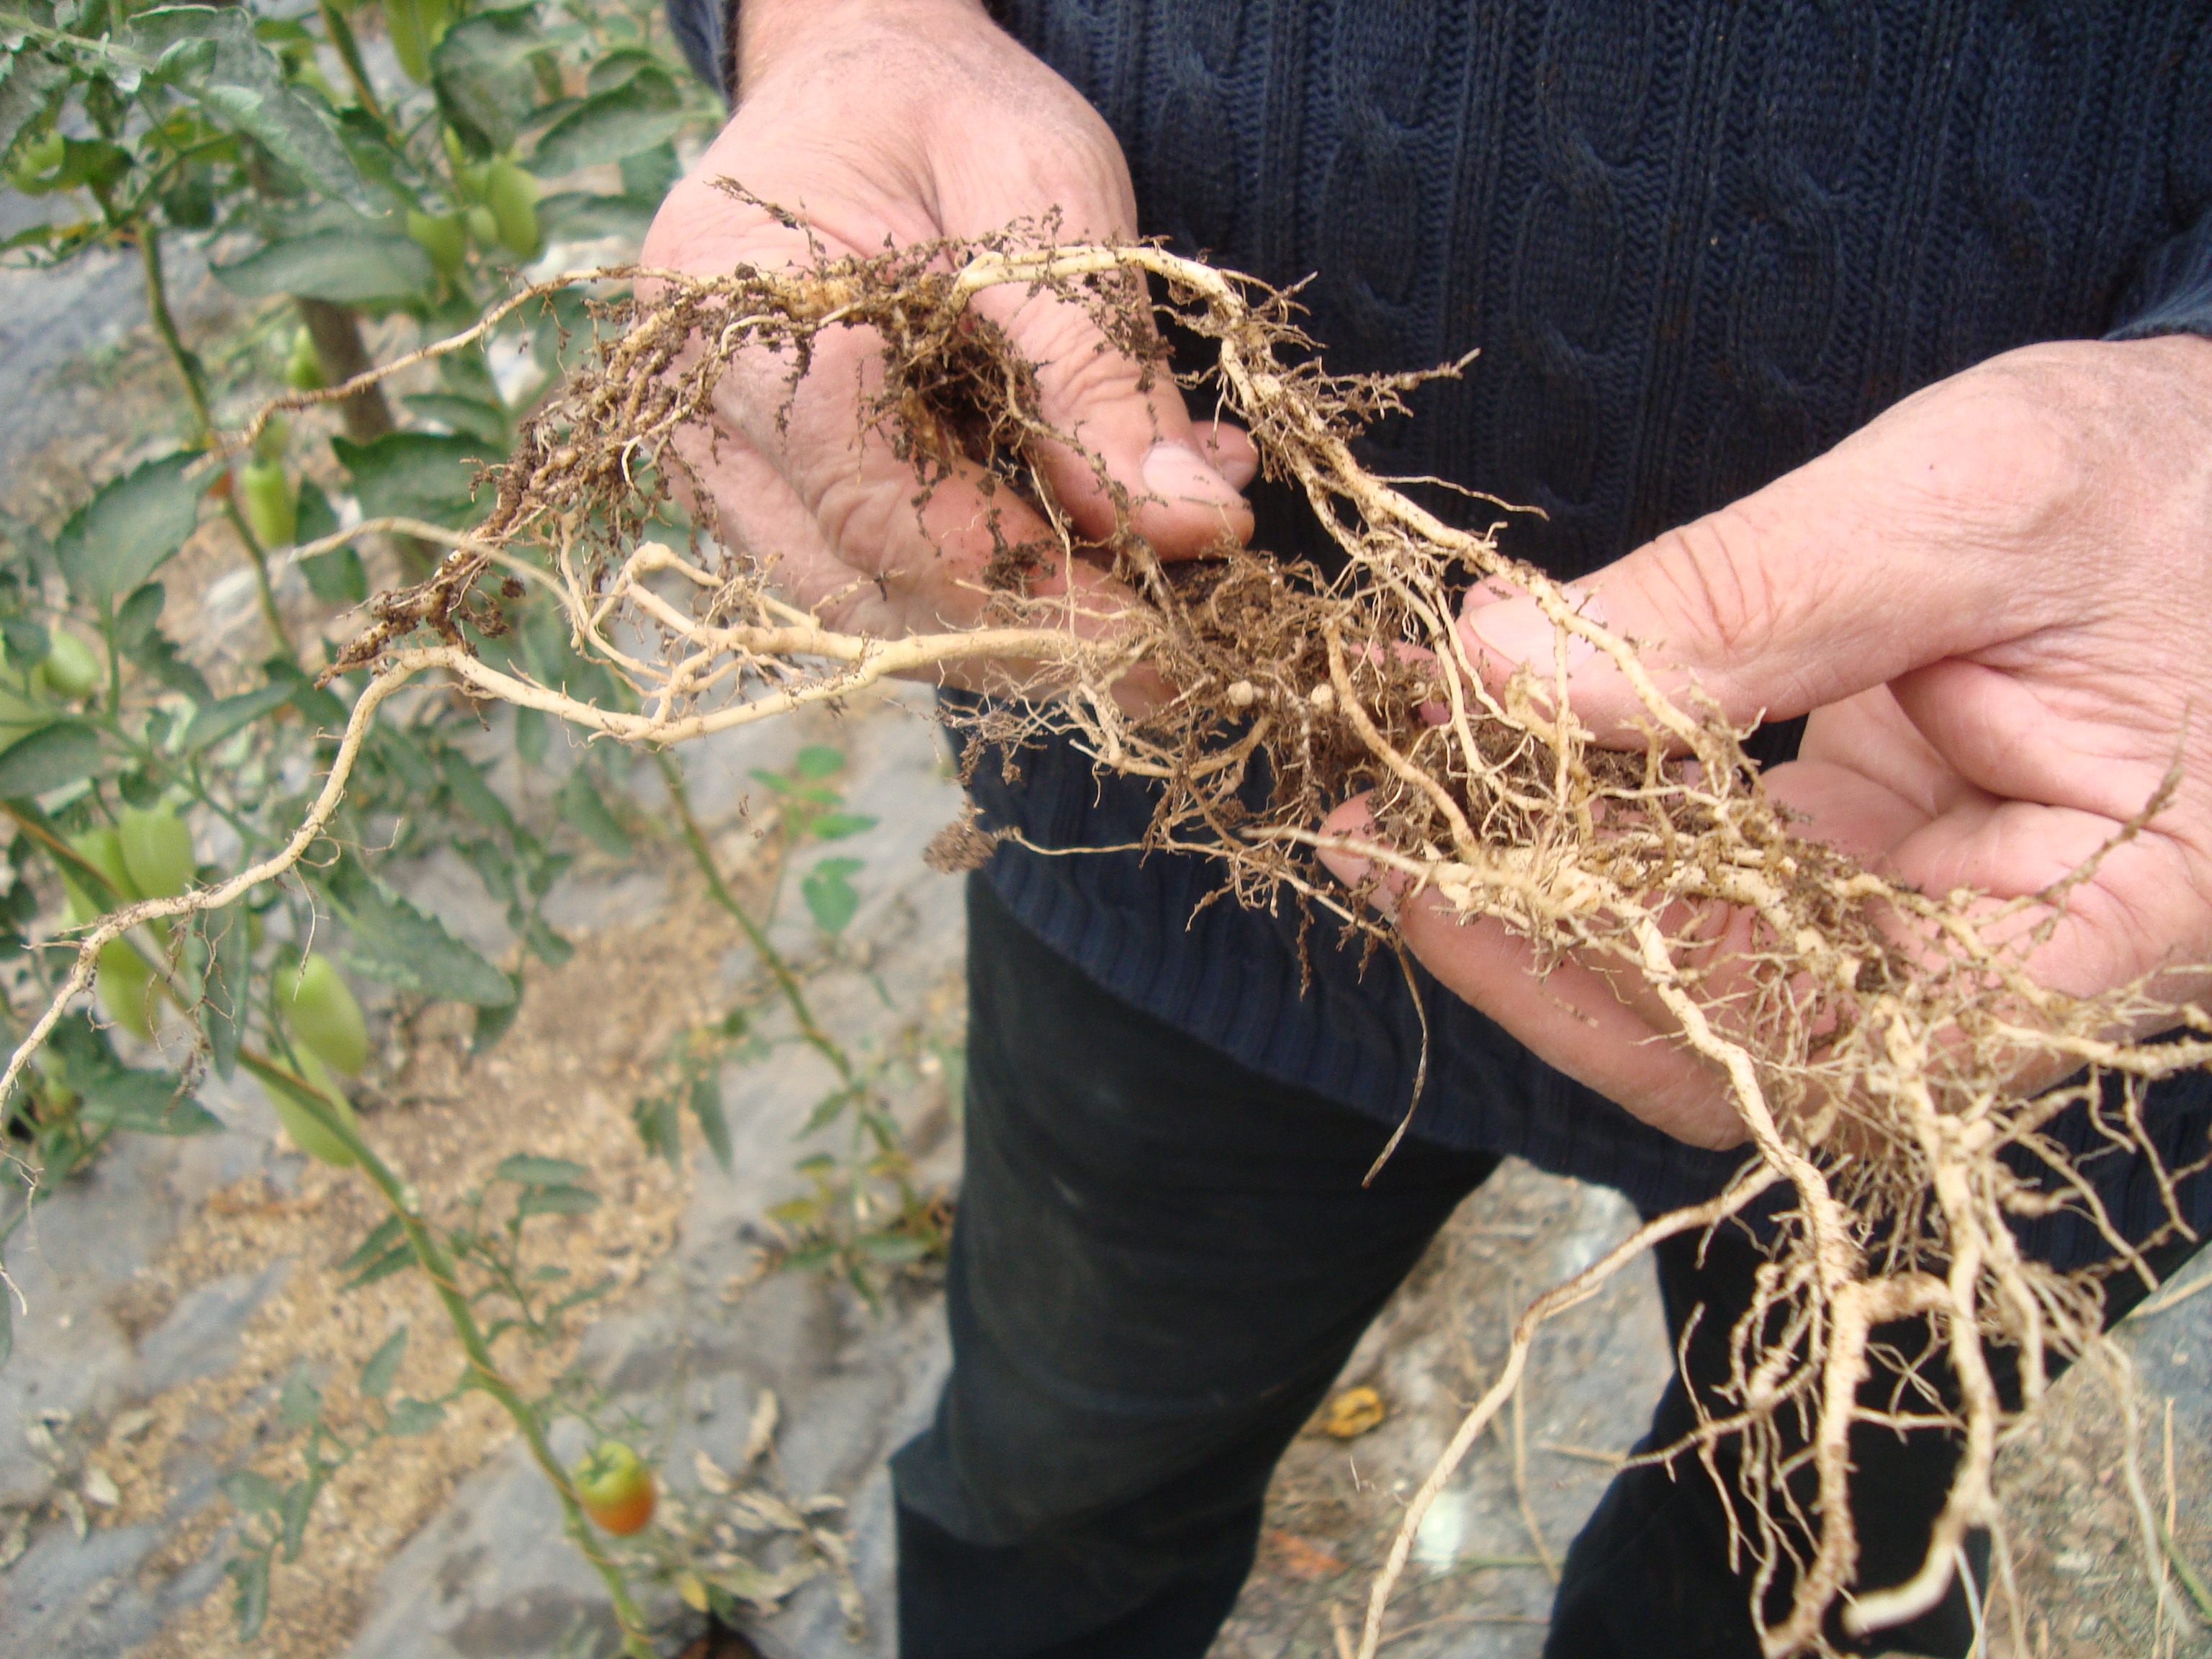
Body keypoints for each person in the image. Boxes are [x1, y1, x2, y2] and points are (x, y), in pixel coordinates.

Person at [648, 3, 2212, 1654]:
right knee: (1059, 1492)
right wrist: (849, 28)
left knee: (1793, 1567)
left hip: (2030, 874)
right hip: (1176, 818)